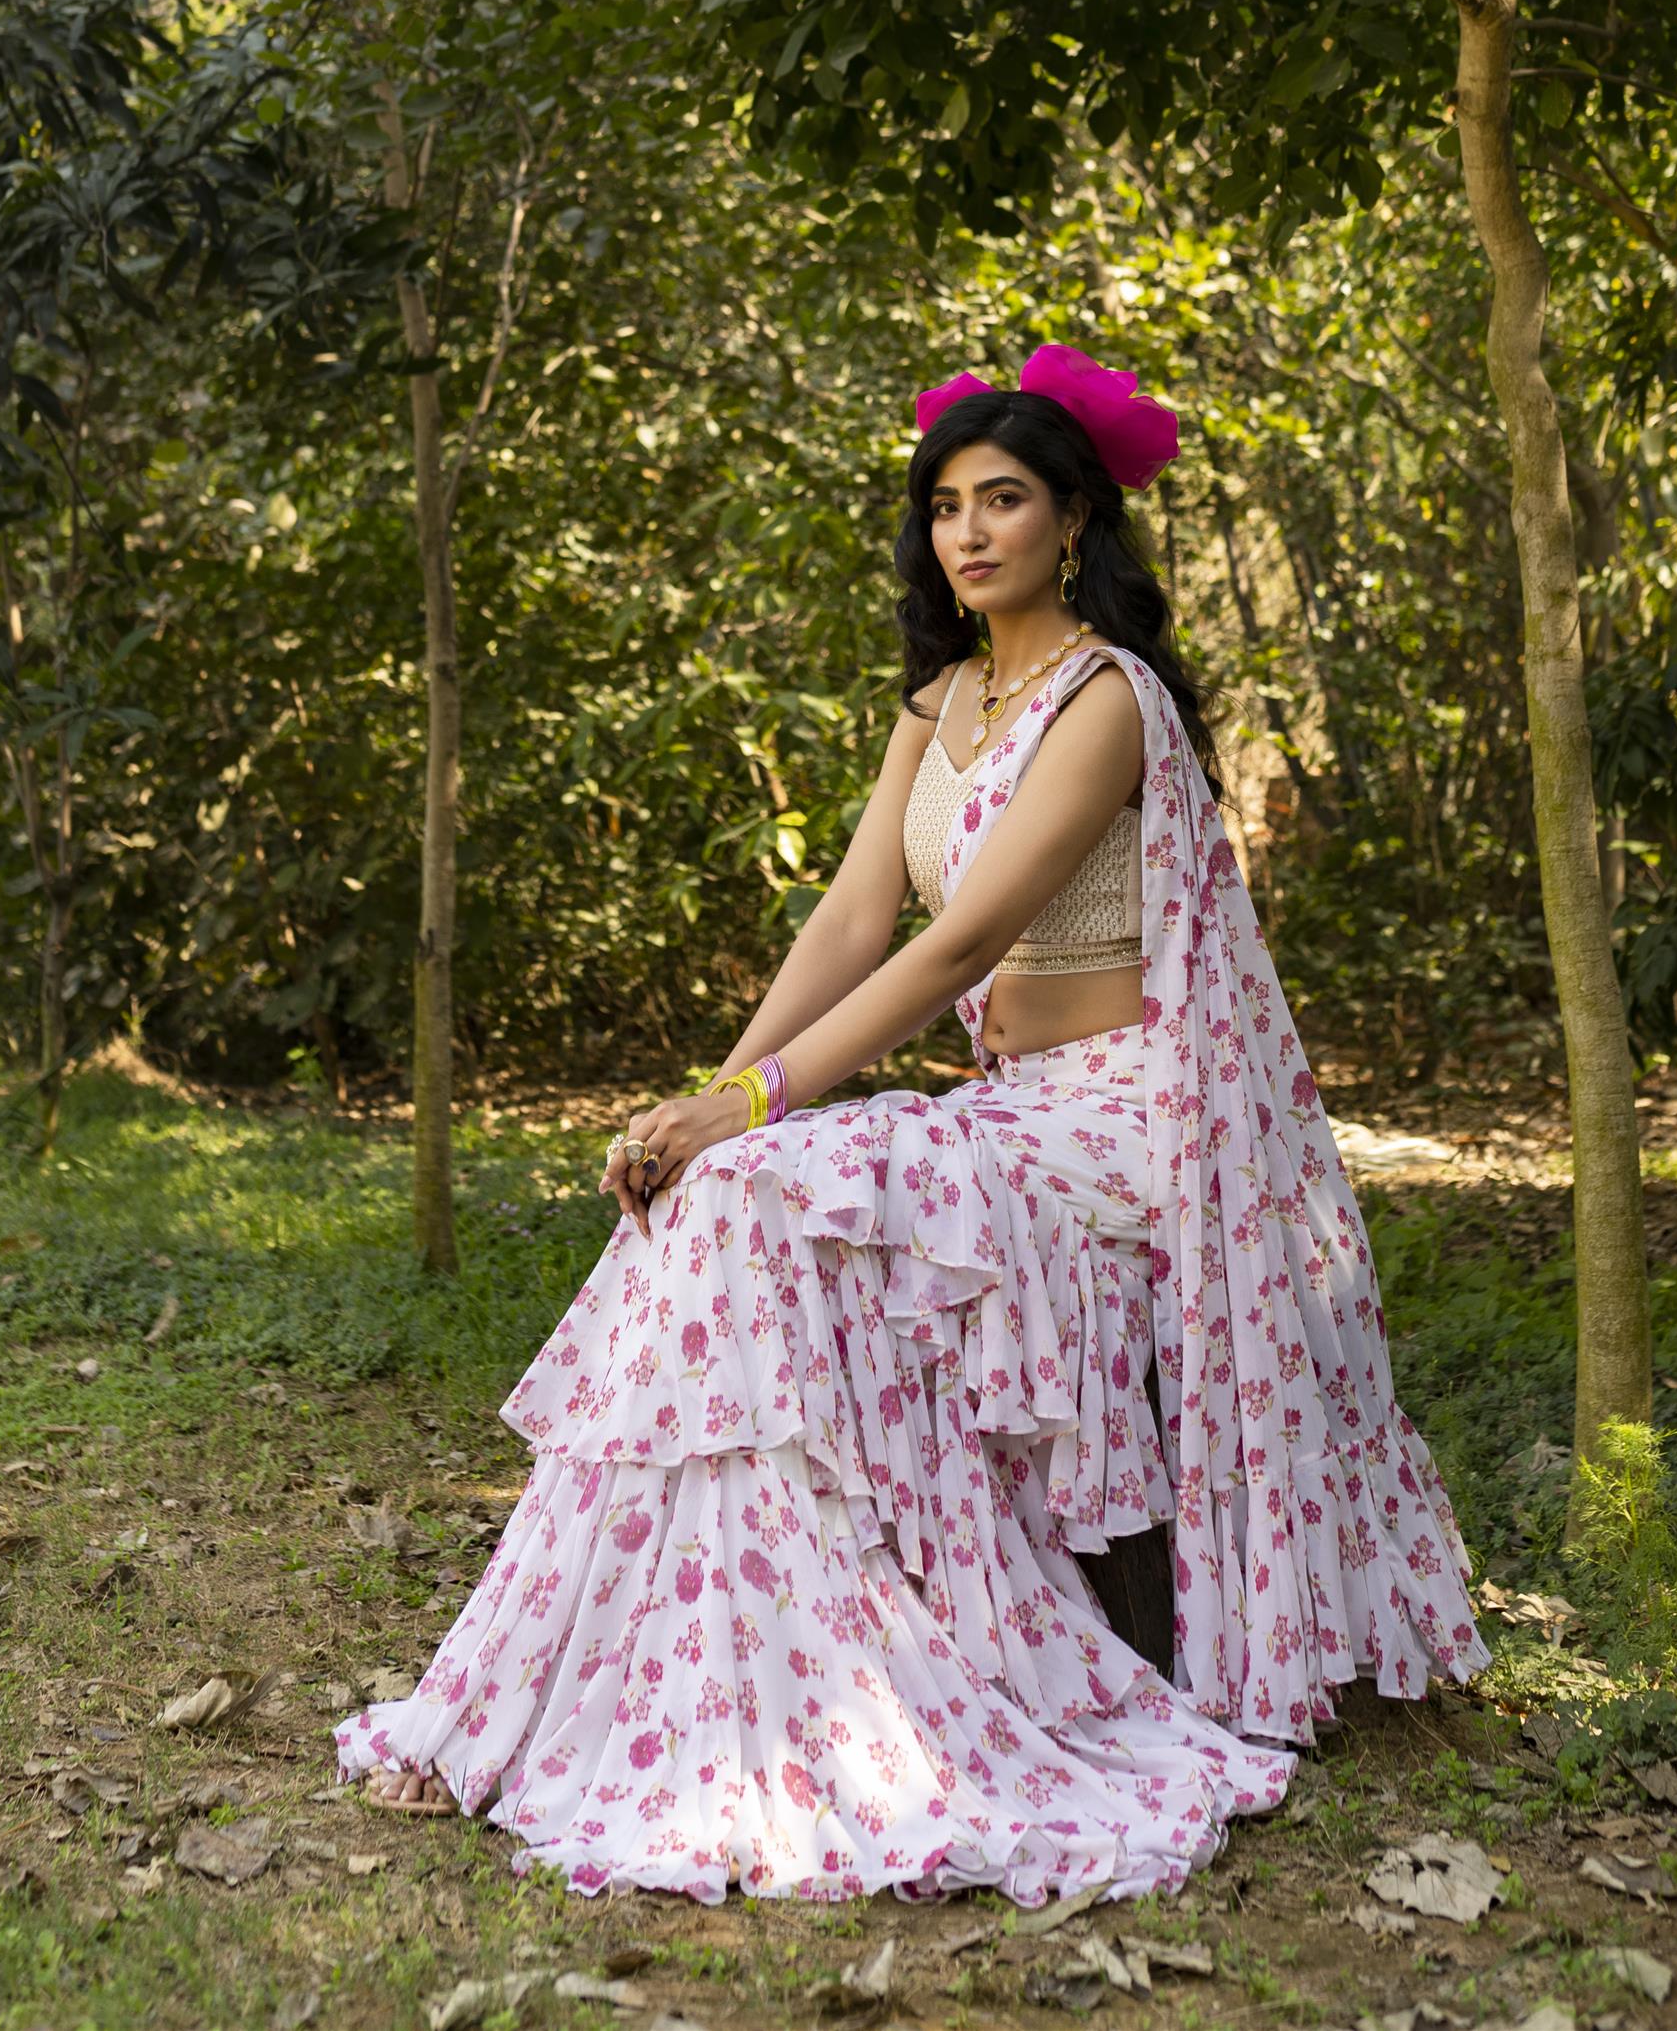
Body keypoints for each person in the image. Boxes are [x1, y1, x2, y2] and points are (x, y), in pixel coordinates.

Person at [335, 345, 1484, 1902]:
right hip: (1014, 1115)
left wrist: (752, 1107)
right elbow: (852, 913)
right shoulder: (941, 700)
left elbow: (947, 949)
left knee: (766, 1190)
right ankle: (709, 1684)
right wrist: (712, 1105)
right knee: (727, 1200)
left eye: (1004, 500)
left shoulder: (1107, 699)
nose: (971, 532)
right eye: (946, 506)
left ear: (1074, 520)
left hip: (1132, 1129)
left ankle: (903, 1698)